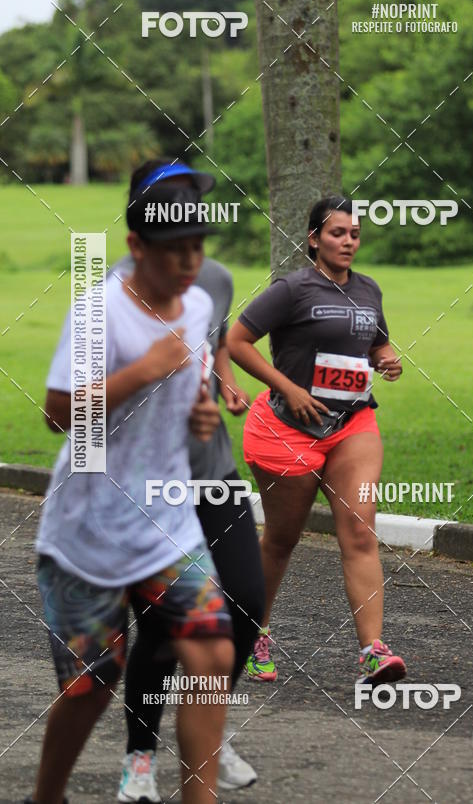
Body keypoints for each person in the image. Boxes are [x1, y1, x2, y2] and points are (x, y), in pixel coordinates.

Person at [27, 182, 234, 804]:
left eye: (198, 248)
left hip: (167, 522)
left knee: (212, 652)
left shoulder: (197, 306)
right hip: (88, 528)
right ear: (135, 246)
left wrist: (202, 412)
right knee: (92, 684)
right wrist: (142, 368)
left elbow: (188, 389)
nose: (190, 262)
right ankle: (47, 795)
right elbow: (58, 413)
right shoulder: (101, 313)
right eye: (175, 250)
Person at [109, 160, 264, 801]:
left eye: (194, 200)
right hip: (148, 487)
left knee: (247, 604)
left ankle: (209, 722)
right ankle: (140, 757)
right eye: (174, 200)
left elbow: (214, 338)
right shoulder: (111, 295)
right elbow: (74, 407)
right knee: (164, 626)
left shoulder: (216, 280)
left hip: (214, 472)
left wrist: (223, 382)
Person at [227, 195, 407, 686]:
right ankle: (251, 633)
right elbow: (236, 342)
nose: (347, 241)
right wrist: (287, 388)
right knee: (282, 539)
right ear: (313, 239)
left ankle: (373, 649)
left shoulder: (369, 290)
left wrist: (388, 361)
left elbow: (378, 345)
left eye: (353, 234)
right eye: (337, 233)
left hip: (352, 426)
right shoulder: (292, 289)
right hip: (288, 428)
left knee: (359, 531)